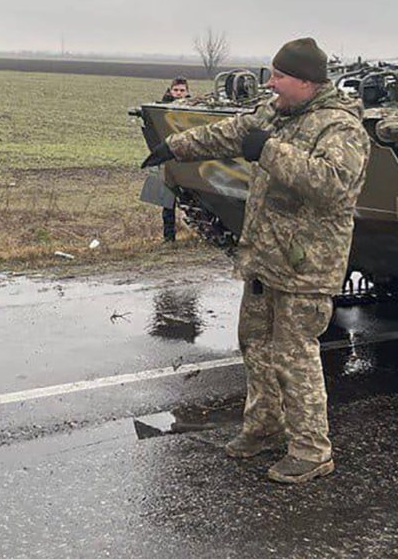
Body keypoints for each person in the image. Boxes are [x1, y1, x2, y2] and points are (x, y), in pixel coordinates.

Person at [141, 38, 368, 484]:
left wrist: (269, 150)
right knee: (256, 344)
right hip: (266, 256)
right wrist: (175, 146)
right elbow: (230, 133)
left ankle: (311, 451)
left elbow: (332, 185)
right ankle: (265, 426)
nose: (272, 83)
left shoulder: (340, 127)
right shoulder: (276, 113)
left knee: (294, 356)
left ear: (306, 82)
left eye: (280, 76)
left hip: (306, 263)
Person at [142, 78, 191, 241]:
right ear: (170, 91)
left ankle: (198, 231)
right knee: (167, 202)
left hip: (187, 159)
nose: (179, 93)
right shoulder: (160, 110)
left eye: (182, 90)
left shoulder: (193, 108)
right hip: (168, 159)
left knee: (191, 200)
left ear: (187, 92)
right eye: (176, 90)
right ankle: (169, 238)